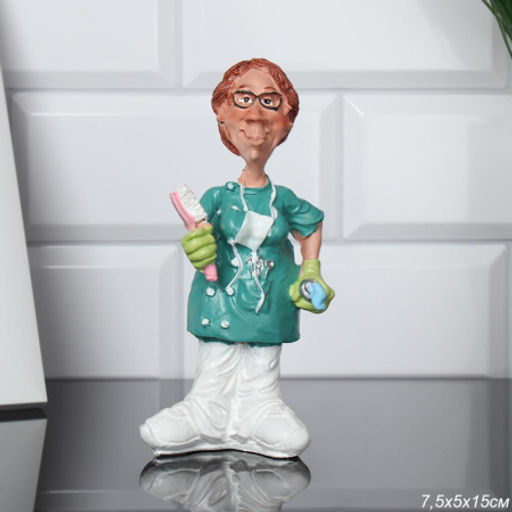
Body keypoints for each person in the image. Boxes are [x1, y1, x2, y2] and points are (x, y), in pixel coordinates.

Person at [140, 58, 334, 458]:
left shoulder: (283, 200)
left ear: (286, 123)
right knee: (217, 359)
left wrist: (311, 270)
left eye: (269, 101)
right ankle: (203, 412)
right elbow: (198, 229)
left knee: (262, 362)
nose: (255, 115)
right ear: (222, 115)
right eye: (243, 99)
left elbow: (311, 225)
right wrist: (198, 246)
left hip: (271, 300)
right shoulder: (218, 197)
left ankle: (261, 411)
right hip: (220, 300)